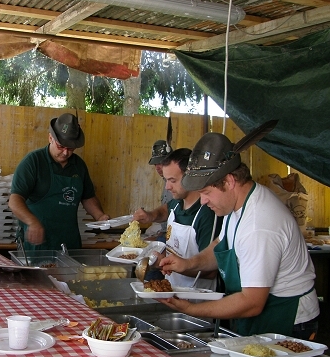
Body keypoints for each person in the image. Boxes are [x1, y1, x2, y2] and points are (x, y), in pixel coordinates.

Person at [159, 133, 319, 338]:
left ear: (229, 180)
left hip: (288, 320)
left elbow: (251, 303)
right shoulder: (235, 206)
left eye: (206, 192)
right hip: (261, 312)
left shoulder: (259, 225)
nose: (204, 201)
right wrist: (187, 264)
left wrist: (189, 309)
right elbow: (221, 244)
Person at [9, 113, 109, 250]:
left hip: (69, 243)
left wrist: (100, 216)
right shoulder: (33, 162)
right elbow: (15, 200)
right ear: (50, 138)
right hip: (37, 245)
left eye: (71, 148)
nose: (66, 153)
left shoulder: (79, 166)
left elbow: (88, 197)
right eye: (61, 146)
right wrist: (32, 222)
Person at [133, 148, 221, 289]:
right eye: (166, 180)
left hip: (197, 298)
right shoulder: (178, 201)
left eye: (172, 180)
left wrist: (171, 266)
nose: (167, 187)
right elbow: (166, 210)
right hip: (173, 290)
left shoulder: (206, 215)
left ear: (190, 177)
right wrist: (150, 215)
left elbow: (210, 272)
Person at [148, 139, 173, 240]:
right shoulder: (165, 182)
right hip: (165, 232)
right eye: (155, 164)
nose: (157, 167)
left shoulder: (181, 184)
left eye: (161, 163)